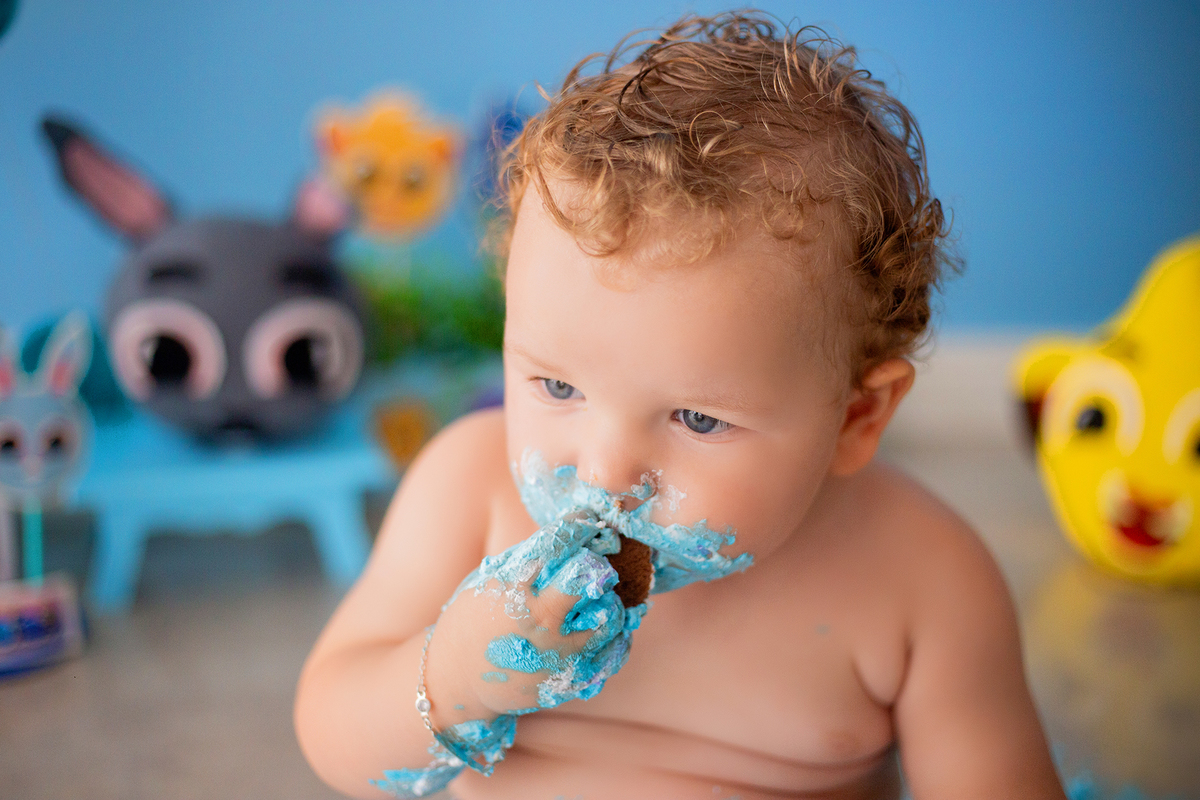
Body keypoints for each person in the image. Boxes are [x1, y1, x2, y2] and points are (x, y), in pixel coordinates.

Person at [294, 11, 1067, 800]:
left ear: (856, 417)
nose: (605, 474)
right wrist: (454, 676)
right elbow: (334, 737)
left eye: (698, 419)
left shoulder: (924, 580)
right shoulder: (468, 491)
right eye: (558, 387)